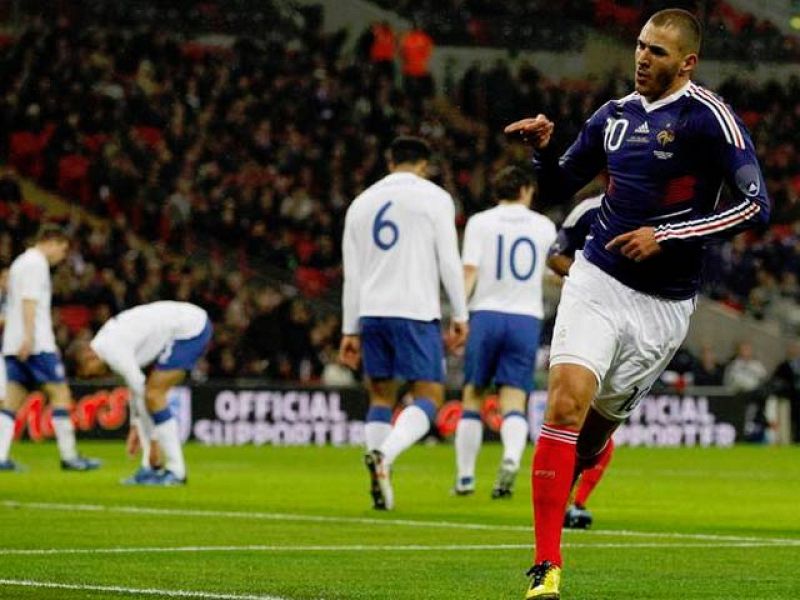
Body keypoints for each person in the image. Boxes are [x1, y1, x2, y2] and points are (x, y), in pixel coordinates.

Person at [504, 8, 770, 598]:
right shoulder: (613, 117)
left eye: (657, 52)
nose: (642, 59)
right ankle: (546, 568)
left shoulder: (711, 119)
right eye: (640, 47)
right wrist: (545, 152)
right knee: (566, 403)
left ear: (687, 62)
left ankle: (573, 473)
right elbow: (554, 188)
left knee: (593, 437)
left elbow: (756, 205)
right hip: (596, 277)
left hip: (664, 306)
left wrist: (668, 234)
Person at [340, 136, 468, 510]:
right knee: (430, 396)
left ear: (389, 160)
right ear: (424, 165)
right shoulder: (435, 197)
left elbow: (353, 275)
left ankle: (381, 482)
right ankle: (385, 456)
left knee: (380, 396)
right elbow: (448, 260)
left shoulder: (360, 204)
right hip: (415, 310)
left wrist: (349, 329)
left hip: (371, 312)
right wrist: (460, 314)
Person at [453, 166, 556, 499]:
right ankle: (511, 457)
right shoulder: (543, 226)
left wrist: (458, 313)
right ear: (525, 189)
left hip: (486, 314)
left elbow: (469, 272)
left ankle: (466, 478)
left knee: (473, 395)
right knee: (514, 400)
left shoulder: (481, 222)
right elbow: (550, 273)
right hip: (525, 318)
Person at [0, 224, 100, 472]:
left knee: (11, 401)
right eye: (63, 249)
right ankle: (69, 456)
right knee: (60, 395)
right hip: (35, 344)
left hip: (13, 343)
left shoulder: (20, 262)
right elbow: (29, 302)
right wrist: (30, 338)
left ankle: (0, 456)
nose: (62, 256)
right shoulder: (36, 263)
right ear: (51, 241)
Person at [78, 301, 212, 485]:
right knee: (150, 395)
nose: (95, 377)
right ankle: (150, 469)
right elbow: (135, 391)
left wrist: (154, 439)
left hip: (190, 328)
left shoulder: (112, 351)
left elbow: (142, 391)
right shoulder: (105, 346)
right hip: (181, 324)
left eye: (89, 373)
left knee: (154, 395)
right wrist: (136, 426)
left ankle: (176, 471)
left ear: (88, 357)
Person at [544, 194, 614, 530]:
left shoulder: (661, 208)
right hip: (588, 318)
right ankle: (569, 503)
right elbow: (555, 255)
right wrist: (589, 276)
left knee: (602, 425)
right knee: (572, 410)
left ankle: (573, 499)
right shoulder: (588, 210)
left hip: (638, 326)